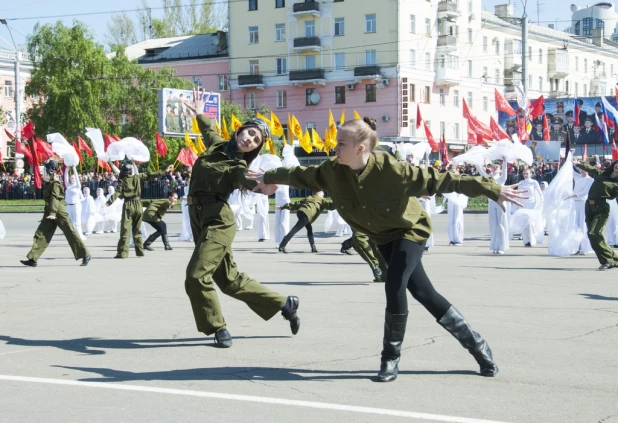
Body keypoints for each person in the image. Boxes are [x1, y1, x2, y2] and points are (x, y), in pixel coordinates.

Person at [249, 117, 525, 382]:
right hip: (381, 236)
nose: (335, 148)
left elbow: (443, 180)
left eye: (341, 143)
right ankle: (478, 347)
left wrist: (491, 188)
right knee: (425, 293)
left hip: (409, 231)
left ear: (361, 149)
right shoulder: (332, 171)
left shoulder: (394, 170)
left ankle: (389, 358)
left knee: (394, 285)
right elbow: (300, 174)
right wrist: (270, 176)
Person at [181, 88, 300, 348]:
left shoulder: (238, 167)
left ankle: (218, 327)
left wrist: (271, 182)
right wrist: (200, 112)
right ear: (239, 131)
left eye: (255, 139)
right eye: (249, 132)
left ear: (256, 148)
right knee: (230, 281)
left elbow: (256, 183)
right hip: (198, 217)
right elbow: (208, 129)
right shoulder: (217, 146)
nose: (249, 139)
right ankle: (284, 303)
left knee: (195, 276)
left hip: (218, 222)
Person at [20, 160, 91, 267]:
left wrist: (53, 213)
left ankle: (85, 255)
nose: (44, 170)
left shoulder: (55, 183)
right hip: (50, 211)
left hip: (58, 211)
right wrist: (47, 213)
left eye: (46, 168)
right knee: (41, 233)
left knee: (71, 233)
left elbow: (54, 198)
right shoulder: (49, 182)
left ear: (51, 169)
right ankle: (33, 258)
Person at [105, 163, 172, 259]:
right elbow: (150, 175)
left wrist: (108, 202)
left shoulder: (123, 181)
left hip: (128, 205)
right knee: (137, 229)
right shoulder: (138, 177)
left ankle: (123, 253)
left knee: (125, 230)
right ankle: (140, 251)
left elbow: (117, 192)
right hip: (138, 204)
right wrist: (165, 171)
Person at [575, 160, 618, 269]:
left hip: (601, 208)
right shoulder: (603, 174)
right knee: (594, 236)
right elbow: (591, 169)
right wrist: (578, 163)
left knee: (593, 233)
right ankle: (614, 259)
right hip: (589, 206)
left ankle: (608, 261)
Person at [445, 164, 467, 246]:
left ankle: (458, 239)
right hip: (451, 200)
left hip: (458, 199)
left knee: (458, 219)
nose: (452, 170)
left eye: (453, 168)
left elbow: (463, 189)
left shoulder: (459, 178)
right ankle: (452, 239)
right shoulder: (448, 179)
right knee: (451, 220)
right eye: (451, 169)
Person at [64, 166, 86, 241]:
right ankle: (73, 236)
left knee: (77, 222)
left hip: (76, 205)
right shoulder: (68, 186)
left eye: (73, 178)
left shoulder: (77, 186)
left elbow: (76, 177)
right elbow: (65, 178)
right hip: (69, 206)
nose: (71, 179)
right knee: (71, 222)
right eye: (71, 178)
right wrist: (67, 168)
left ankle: (79, 236)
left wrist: (74, 169)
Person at [178, 177, 193, 242]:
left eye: (190, 181)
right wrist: (183, 197)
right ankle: (189, 235)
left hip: (191, 205)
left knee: (191, 221)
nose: (189, 182)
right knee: (187, 221)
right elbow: (186, 195)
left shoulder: (193, 188)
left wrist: (185, 198)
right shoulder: (185, 188)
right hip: (186, 205)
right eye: (188, 181)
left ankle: (192, 235)